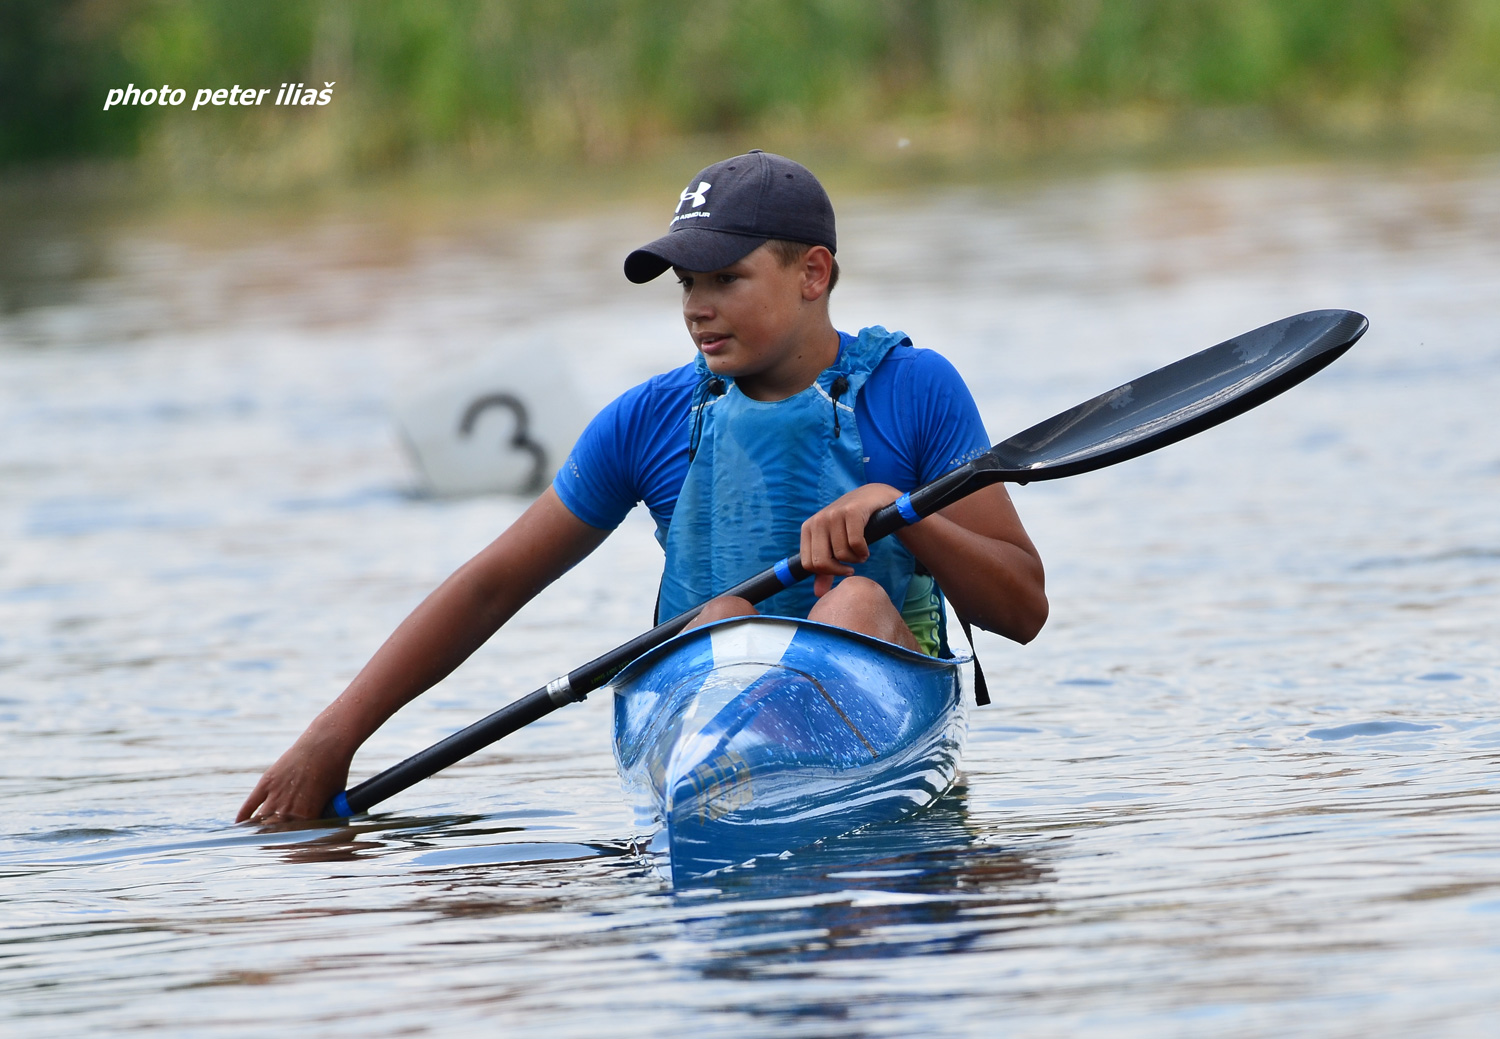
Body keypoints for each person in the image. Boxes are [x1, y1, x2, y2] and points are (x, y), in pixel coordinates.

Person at [238, 151, 1047, 823]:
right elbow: (490, 587)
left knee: (854, 604)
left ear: (813, 273)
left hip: (881, 706)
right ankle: (734, 776)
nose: (697, 309)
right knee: (721, 620)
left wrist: (901, 517)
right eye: (684, 285)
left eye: (725, 278)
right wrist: (332, 737)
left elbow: (1022, 610)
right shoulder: (647, 421)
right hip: (704, 725)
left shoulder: (914, 390)